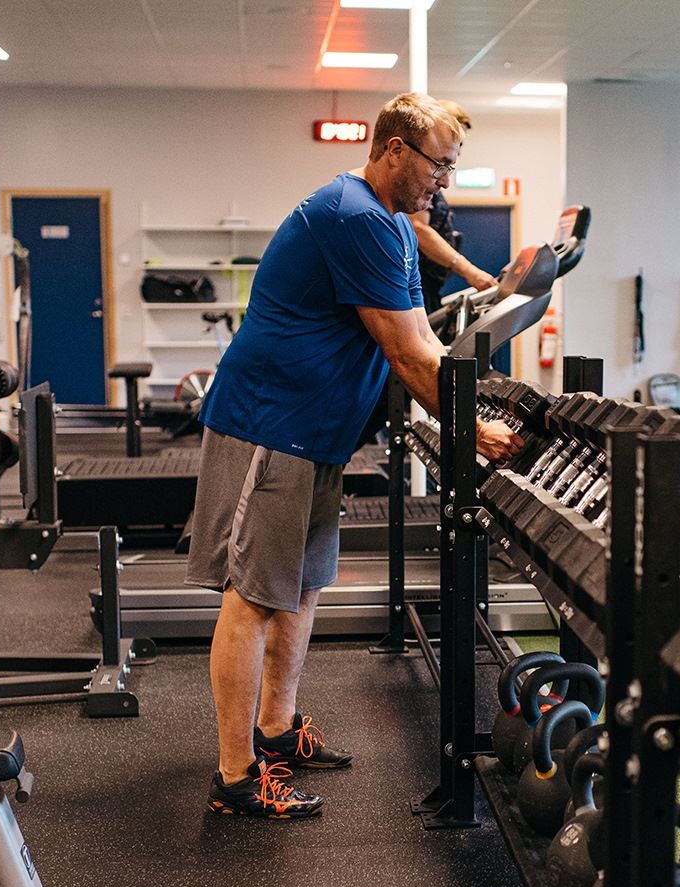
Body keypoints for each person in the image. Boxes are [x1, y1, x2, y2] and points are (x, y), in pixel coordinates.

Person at [185, 93, 524, 819]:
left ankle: (276, 732)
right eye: (439, 165)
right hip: (268, 426)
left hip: (317, 432)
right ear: (395, 149)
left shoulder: (394, 222)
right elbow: (406, 355)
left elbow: (424, 342)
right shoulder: (355, 216)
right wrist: (471, 432)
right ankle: (236, 774)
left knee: (302, 586)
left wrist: (477, 388)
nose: (445, 181)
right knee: (252, 596)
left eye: (453, 168)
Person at [410, 99, 497, 315]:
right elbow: (419, 229)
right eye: (454, 140)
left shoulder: (436, 182)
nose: (458, 150)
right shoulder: (422, 179)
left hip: (429, 287)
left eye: (461, 143)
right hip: (418, 286)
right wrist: (470, 272)